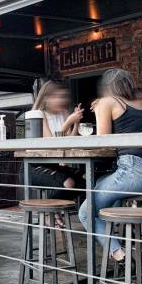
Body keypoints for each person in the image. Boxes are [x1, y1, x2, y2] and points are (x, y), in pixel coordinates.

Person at [79, 68, 142, 262]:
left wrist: (100, 111)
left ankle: (120, 255)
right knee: (103, 181)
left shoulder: (107, 102)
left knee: (85, 213)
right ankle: (116, 230)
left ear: (107, 87)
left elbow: (102, 141)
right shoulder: (139, 106)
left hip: (135, 174)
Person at [30, 81, 85, 223]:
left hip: (55, 165)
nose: (61, 101)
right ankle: (50, 212)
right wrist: (68, 122)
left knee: (86, 181)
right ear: (46, 98)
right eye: (57, 97)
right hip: (36, 166)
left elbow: (69, 142)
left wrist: (76, 123)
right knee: (69, 183)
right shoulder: (39, 114)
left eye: (63, 97)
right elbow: (51, 144)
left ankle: (53, 210)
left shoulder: (64, 113)